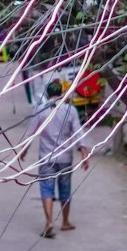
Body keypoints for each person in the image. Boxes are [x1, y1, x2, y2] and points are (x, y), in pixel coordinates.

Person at [28, 76, 90, 237]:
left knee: (46, 188)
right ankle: (65, 222)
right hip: (65, 158)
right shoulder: (70, 110)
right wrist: (84, 152)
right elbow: (78, 132)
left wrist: (23, 150)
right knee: (65, 189)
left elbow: (31, 132)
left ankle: (49, 221)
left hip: (46, 157)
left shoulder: (41, 110)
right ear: (62, 93)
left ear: (47, 94)